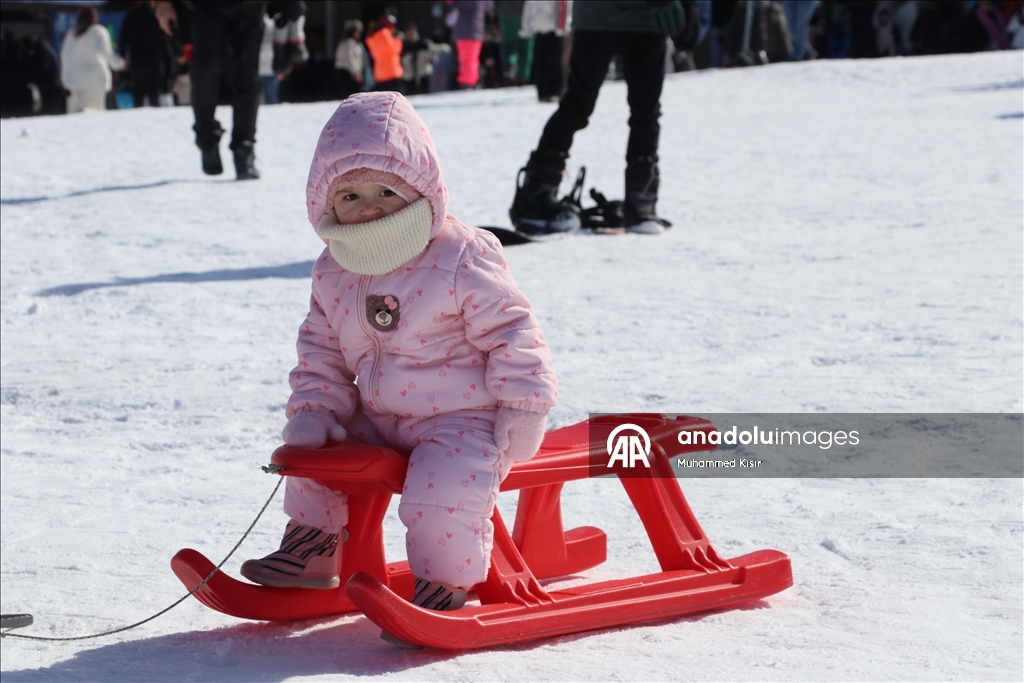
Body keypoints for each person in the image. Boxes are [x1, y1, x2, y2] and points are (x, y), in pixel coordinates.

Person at [239, 91, 557, 611]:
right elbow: (320, 349)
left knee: (443, 489)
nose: (368, 208)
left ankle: (443, 584)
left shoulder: (460, 254)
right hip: (378, 415)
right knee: (316, 455)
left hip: (462, 419)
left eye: (385, 191)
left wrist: (524, 405)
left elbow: (513, 332)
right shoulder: (334, 267)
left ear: (418, 188)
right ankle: (312, 549)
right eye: (350, 195)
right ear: (327, 204)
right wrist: (315, 410)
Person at [510, 0, 695, 236]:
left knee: (643, 108)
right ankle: (537, 194)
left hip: (645, 16)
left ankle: (640, 197)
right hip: (606, 14)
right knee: (580, 104)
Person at [60, 7, 126, 113]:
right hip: (95, 82)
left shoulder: (71, 34)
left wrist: (64, 81)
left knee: (75, 117)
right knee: (94, 115)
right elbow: (106, 53)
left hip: (73, 83)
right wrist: (121, 64)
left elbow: (64, 57)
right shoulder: (98, 32)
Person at [119, 1, 170, 107]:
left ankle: (138, 115)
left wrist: (123, 58)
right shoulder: (156, 15)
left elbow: (123, 40)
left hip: (137, 62)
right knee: (154, 97)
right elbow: (166, 38)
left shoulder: (131, 15)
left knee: (138, 96)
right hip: (155, 61)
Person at [520, 0, 573, 102]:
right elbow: (528, 9)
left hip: (555, 29)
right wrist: (526, 28)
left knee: (554, 62)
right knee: (539, 62)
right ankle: (542, 92)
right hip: (539, 29)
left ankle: (555, 91)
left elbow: (564, 7)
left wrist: (562, 27)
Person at [446, 0, 494, 89]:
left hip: (462, 32)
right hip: (476, 32)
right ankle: (471, 82)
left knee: (466, 60)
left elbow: (453, 6)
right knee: (471, 59)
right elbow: (489, 6)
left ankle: (468, 83)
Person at [364, 14, 405, 93]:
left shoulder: (371, 37)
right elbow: (393, 50)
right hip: (392, 71)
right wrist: (399, 40)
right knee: (397, 97)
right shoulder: (384, 34)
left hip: (379, 73)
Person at [333, 19, 364, 99]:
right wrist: (356, 73)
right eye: (357, 32)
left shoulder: (345, 42)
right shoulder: (349, 43)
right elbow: (351, 59)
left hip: (345, 71)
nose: (359, 34)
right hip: (347, 72)